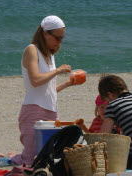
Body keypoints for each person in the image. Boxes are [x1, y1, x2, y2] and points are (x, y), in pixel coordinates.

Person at [11, 15, 81, 165]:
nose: (59, 42)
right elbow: (35, 81)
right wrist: (58, 71)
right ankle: (9, 158)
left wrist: (68, 84)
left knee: (46, 158)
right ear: (45, 33)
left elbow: (48, 90)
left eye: (62, 38)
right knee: (30, 161)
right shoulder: (32, 50)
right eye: (57, 38)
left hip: (50, 110)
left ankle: (12, 156)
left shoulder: (49, 55)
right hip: (33, 109)